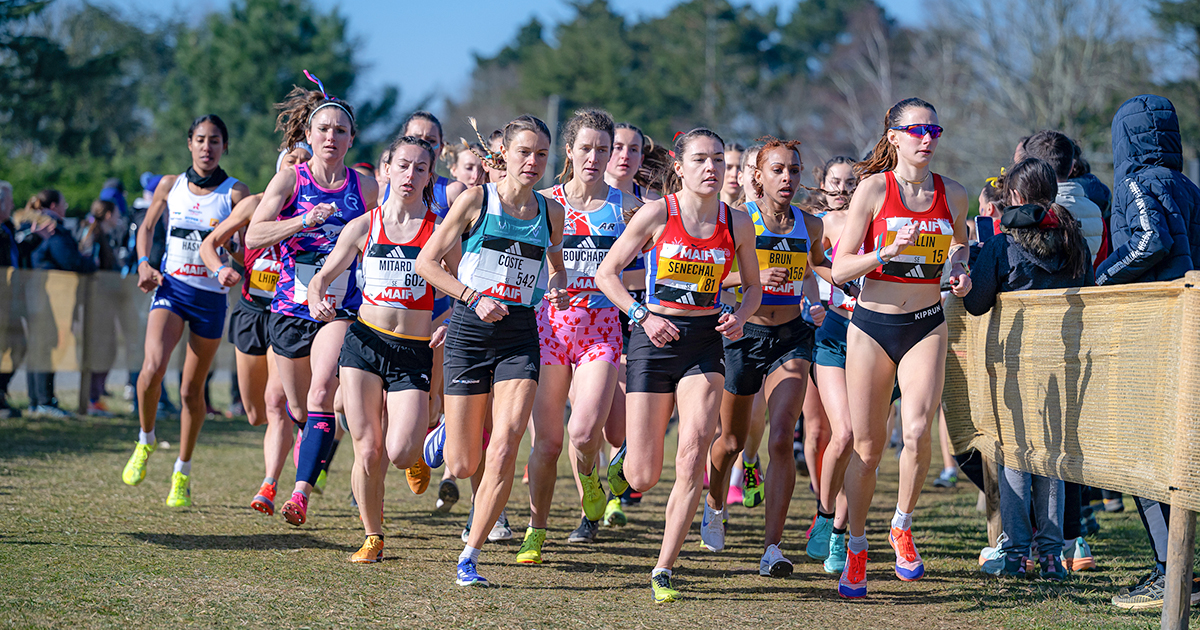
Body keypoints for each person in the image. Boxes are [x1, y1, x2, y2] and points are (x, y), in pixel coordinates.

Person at [595, 128, 761, 603]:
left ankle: (664, 566)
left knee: (692, 453)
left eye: (719, 161)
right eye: (702, 160)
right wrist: (642, 316)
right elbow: (606, 274)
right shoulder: (657, 213)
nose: (712, 169)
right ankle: (626, 458)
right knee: (643, 476)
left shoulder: (737, 222)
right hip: (653, 338)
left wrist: (740, 317)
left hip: (705, 343)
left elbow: (752, 288)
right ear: (681, 166)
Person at [415, 114, 568, 588]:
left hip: (520, 333)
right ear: (503, 155)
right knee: (463, 464)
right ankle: (443, 436)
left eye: (542, 154)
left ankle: (470, 555)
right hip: (468, 329)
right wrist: (471, 298)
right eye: (525, 152)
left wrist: (557, 286)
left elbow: (556, 266)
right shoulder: (476, 201)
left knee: (505, 444)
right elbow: (427, 263)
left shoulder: (550, 212)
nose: (533, 162)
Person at [830, 98, 971, 598]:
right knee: (867, 449)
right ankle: (858, 545)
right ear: (893, 136)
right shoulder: (872, 190)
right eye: (915, 130)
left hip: (926, 323)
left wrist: (959, 270)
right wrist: (883, 253)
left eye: (934, 128)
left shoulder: (952, 193)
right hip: (872, 326)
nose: (926, 138)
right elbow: (841, 267)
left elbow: (960, 243)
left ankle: (902, 524)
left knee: (917, 431)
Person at [245, 73, 378, 525]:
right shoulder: (289, 180)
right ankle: (315, 446)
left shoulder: (365, 188)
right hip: (288, 308)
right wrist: (302, 222)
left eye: (341, 131)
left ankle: (299, 493)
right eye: (324, 129)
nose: (332, 137)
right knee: (299, 408)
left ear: (351, 139)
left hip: (340, 308)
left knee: (323, 391)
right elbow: (253, 235)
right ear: (308, 134)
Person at [310, 135, 450, 563]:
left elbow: (465, 286)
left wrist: (449, 323)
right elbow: (323, 275)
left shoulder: (440, 230)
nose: (410, 175)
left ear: (429, 176)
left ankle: (419, 449)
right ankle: (373, 535)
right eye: (402, 165)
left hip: (413, 349)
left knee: (400, 450)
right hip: (365, 343)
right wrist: (318, 297)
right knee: (367, 449)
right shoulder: (363, 226)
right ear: (386, 169)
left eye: (420, 168)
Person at [706, 138, 831, 579]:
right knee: (733, 442)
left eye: (794, 171)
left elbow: (817, 267)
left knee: (781, 438)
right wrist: (754, 277)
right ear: (757, 176)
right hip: (744, 333)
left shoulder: (810, 224)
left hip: (791, 336)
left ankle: (772, 548)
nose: (787, 179)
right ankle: (715, 504)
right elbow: (714, 278)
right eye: (777, 170)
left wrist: (829, 294)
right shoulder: (740, 221)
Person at [519, 109, 639, 561]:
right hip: (549, 329)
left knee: (585, 432)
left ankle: (590, 478)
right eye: (585, 148)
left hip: (602, 329)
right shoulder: (544, 202)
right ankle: (536, 530)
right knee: (546, 443)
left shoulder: (626, 208)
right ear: (568, 151)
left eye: (603, 149)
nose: (594, 157)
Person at [1095, 95, 1200, 611]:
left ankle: (1170, 572)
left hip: (1152, 339)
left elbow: (1149, 243)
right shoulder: (1190, 187)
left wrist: (1099, 281)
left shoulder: (1138, 182)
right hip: (1187, 335)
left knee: (1142, 458)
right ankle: (1179, 570)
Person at [964, 157, 1091, 581]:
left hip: (1017, 366)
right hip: (1066, 364)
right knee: (1052, 457)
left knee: (1016, 457)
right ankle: (1053, 557)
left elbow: (976, 304)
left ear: (1015, 198)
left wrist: (967, 281)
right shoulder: (1075, 241)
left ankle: (1017, 554)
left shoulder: (1003, 245)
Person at [121, 115, 250, 507]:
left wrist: (234, 261)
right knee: (151, 370)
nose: (207, 147)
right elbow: (146, 228)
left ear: (224, 146)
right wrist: (144, 262)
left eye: (214, 140)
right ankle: (145, 440)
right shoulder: (169, 185)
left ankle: (182, 470)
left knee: (191, 390)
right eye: (200, 139)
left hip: (210, 299)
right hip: (172, 289)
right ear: (189, 144)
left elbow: (248, 248)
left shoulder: (234, 193)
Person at [199, 142, 311, 516]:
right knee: (253, 411)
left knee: (275, 403)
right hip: (250, 311)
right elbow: (209, 244)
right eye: (290, 163)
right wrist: (221, 268)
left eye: (303, 163)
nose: (297, 169)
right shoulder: (253, 204)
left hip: (288, 312)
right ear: (280, 169)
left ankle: (270, 483)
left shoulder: (314, 213)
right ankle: (301, 432)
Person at [806, 156, 864, 575]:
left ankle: (842, 532)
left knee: (862, 442)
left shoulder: (874, 220)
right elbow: (806, 265)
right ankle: (825, 515)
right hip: (832, 334)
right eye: (836, 182)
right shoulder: (816, 225)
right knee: (840, 433)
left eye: (851, 183)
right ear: (822, 185)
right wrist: (832, 282)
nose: (843, 190)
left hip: (875, 338)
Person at [22, 189, 94, 419]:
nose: (66, 206)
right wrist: (90, 263)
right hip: (47, 296)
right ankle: (43, 401)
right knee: (45, 346)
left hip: (39, 295)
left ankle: (38, 401)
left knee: (41, 346)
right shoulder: (52, 228)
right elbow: (69, 260)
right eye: (63, 203)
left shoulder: (36, 224)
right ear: (53, 205)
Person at [1015, 131, 1104, 263]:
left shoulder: (1035, 212)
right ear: (1071, 167)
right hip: (1087, 281)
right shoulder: (1095, 211)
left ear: (1034, 168)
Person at [79, 199, 123, 416]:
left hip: (106, 303)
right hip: (96, 303)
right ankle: (90, 398)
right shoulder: (93, 235)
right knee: (99, 349)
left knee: (109, 349)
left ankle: (94, 396)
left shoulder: (105, 236)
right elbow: (90, 265)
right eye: (116, 213)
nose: (118, 218)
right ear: (107, 214)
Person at [0, 181, 22, 418]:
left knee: (17, 345)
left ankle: (1, 393)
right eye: (9, 200)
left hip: (10, 301)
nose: (14, 205)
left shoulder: (7, 230)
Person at [720, 142, 745, 207]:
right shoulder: (706, 214)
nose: (734, 174)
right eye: (728, 167)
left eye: (739, 168)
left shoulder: (754, 214)